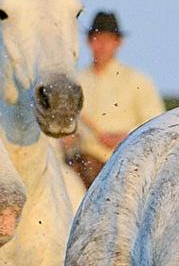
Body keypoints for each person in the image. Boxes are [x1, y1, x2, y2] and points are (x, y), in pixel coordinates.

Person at [66, 11, 165, 189]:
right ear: (89, 42)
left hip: (123, 161)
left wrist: (126, 137)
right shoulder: (75, 81)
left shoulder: (138, 81)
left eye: (108, 40)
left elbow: (158, 123)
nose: (102, 46)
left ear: (118, 43)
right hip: (80, 160)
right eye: (97, 39)